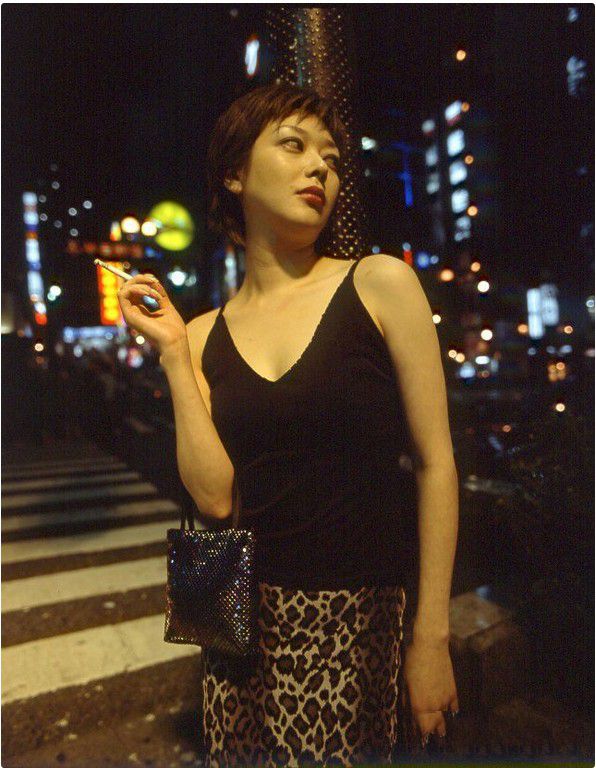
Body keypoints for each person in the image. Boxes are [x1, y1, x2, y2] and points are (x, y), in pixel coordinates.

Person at [118, 82, 460, 766]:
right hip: (241, 628)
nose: (320, 170)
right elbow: (215, 500)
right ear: (235, 174)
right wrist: (175, 354)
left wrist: (431, 637)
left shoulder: (379, 284)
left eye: (330, 159)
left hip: (364, 621)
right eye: (295, 146)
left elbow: (436, 463)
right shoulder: (203, 333)